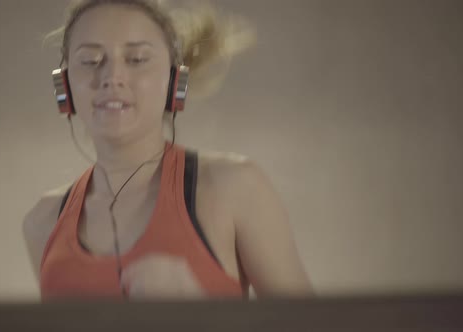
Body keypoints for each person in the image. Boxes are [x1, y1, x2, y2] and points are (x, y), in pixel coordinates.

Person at [23, 0, 313, 301]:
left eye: (136, 59)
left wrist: (202, 311)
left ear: (176, 82)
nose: (112, 76)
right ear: (64, 87)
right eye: (91, 60)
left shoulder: (234, 187)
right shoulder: (42, 222)